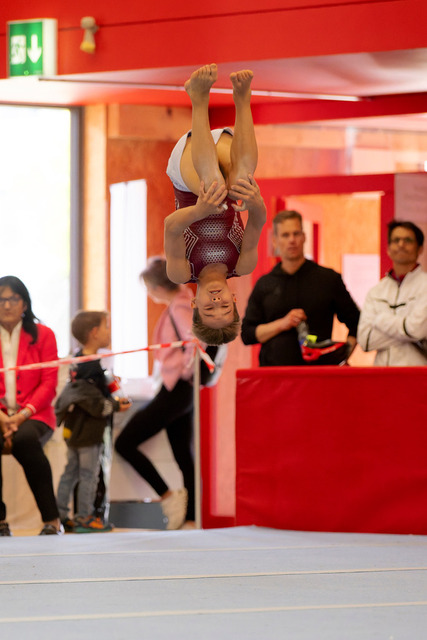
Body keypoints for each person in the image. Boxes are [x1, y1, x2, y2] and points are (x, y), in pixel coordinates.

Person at [165, 63, 266, 345]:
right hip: (224, 155)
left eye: (209, 309)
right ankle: (242, 98)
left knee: (213, 187)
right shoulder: (243, 264)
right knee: (242, 182)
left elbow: (171, 226)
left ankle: (199, 100)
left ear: (195, 305)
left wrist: (200, 210)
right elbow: (258, 221)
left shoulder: (182, 273)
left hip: (186, 168)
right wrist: (255, 201)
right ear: (234, 300)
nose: (216, 301)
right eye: (225, 307)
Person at [114, 257, 195, 529]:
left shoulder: (180, 306)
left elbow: (194, 342)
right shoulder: (182, 302)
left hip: (177, 388)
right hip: (178, 388)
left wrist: (184, 372)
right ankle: (191, 517)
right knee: (183, 454)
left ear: (158, 287)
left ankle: (169, 498)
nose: (149, 294)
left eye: (149, 288)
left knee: (125, 443)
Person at [241, 210, 360, 366]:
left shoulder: (329, 279)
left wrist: (342, 357)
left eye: (296, 234)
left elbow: (357, 322)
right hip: (274, 374)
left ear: (304, 237)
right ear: (275, 241)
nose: (292, 240)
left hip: (317, 374)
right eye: (285, 235)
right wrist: (282, 324)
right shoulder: (264, 284)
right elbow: (247, 334)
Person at [55, 311, 131, 533]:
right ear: (94, 332)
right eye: (106, 326)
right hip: (89, 430)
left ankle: (60, 515)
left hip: (73, 429)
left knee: (70, 472)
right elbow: (94, 403)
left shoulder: (77, 363)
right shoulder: (92, 368)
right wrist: (116, 405)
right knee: (88, 475)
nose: (109, 332)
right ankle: (84, 517)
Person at [0, 275, 62, 536]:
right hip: (1, 416)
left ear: (24, 303)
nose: (6, 305)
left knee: (25, 440)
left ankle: (52, 520)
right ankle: (0, 522)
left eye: (13, 299)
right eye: (1, 299)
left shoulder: (44, 335)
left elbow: (49, 383)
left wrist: (21, 415)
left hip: (35, 415)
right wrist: (3, 417)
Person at [357, 220, 427, 365]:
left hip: (418, 374)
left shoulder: (424, 285)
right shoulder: (376, 292)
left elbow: (415, 330)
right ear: (388, 249)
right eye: (396, 240)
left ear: (420, 249)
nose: (401, 244)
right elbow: (365, 340)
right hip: (382, 374)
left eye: (408, 240)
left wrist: (379, 319)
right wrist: (407, 329)